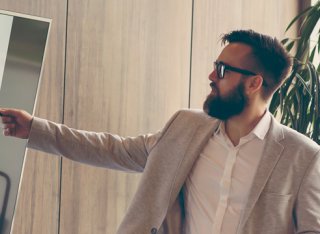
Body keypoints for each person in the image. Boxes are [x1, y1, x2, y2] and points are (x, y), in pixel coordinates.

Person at [1, 29, 319, 234]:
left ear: (254, 83)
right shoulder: (185, 126)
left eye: (222, 70)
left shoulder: (302, 157)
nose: (211, 75)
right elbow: (112, 149)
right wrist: (33, 129)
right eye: (214, 65)